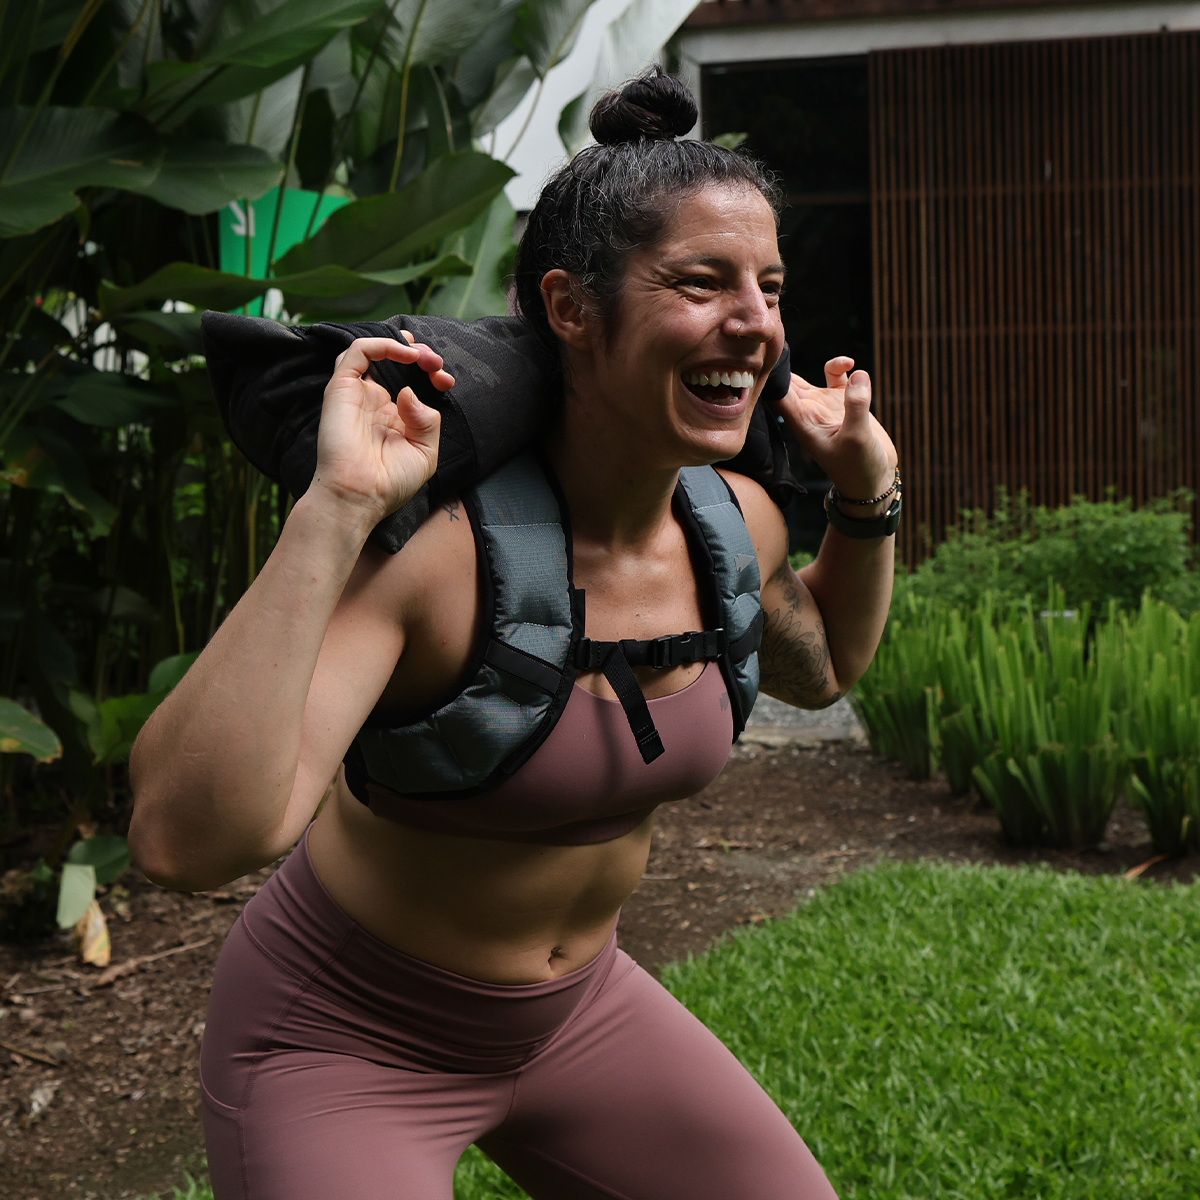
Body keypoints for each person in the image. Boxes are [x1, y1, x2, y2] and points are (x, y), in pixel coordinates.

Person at [129, 67, 897, 1200]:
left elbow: (825, 668)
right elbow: (185, 840)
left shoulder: (733, 525)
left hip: (582, 1018)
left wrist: (868, 500)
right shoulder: (441, 560)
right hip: (346, 1039)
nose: (757, 324)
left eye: (771, 287)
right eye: (702, 282)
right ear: (572, 308)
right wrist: (337, 510)